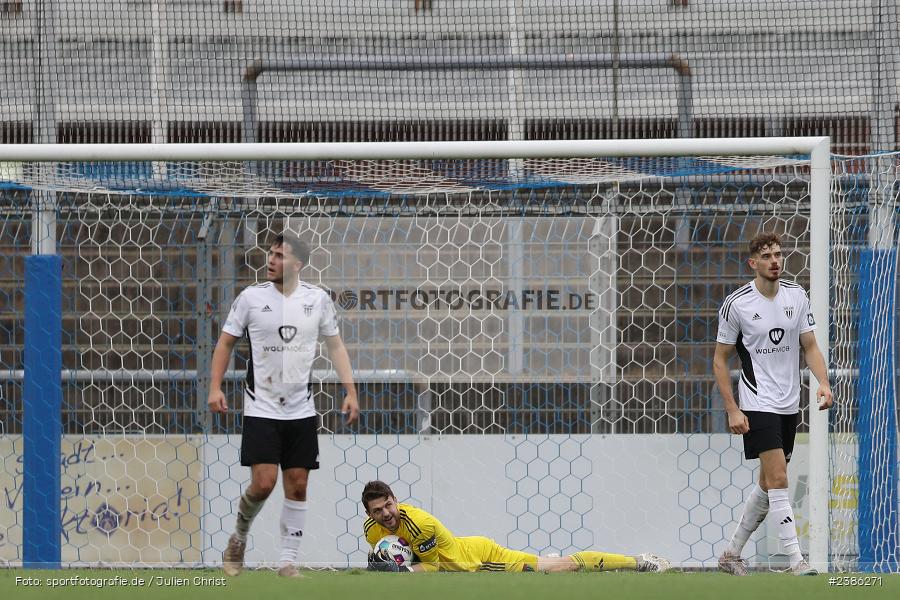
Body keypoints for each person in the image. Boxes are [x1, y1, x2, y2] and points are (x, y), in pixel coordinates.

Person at [208, 232, 360, 577]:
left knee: (298, 484)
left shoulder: (317, 299)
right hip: (261, 406)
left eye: (279, 255)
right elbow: (225, 343)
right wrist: (215, 388)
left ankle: (288, 562)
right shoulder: (251, 298)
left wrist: (350, 391)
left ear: (297, 264)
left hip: (301, 408)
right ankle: (239, 537)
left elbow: (335, 346)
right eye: (270, 253)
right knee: (264, 483)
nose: (271, 260)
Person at [713, 232, 833, 576]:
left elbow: (810, 346)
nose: (775, 261)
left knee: (768, 483)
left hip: (789, 402)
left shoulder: (797, 295)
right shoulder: (737, 304)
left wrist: (824, 383)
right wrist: (733, 408)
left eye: (778, 254)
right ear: (753, 263)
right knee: (779, 476)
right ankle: (796, 561)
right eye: (767, 256)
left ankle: (731, 554)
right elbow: (720, 360)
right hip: (757, 399)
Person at [360, 480, 670, 573]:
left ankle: (639, 561)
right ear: (369, 514)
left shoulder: (419, 524)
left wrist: (398, 571)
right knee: (549, 566)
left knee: (562, 567)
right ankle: (543, 563)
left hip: (479, 561)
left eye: (389, 505)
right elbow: (398, 556)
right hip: (464, 553)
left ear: (395, 499)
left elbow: (431, 567)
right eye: (378, 511)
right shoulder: (372, 531)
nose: (386, 514)